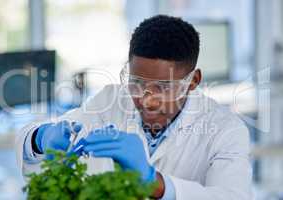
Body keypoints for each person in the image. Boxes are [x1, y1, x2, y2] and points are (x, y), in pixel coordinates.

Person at [16, 15, 252, 199]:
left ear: (193, 81)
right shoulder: (111, 99)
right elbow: (33, 140)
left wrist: (154, 183)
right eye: (137, 83)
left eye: (163, 87)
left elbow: (232, 196)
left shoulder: (226, 130)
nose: (146, 99)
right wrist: (41, 138)